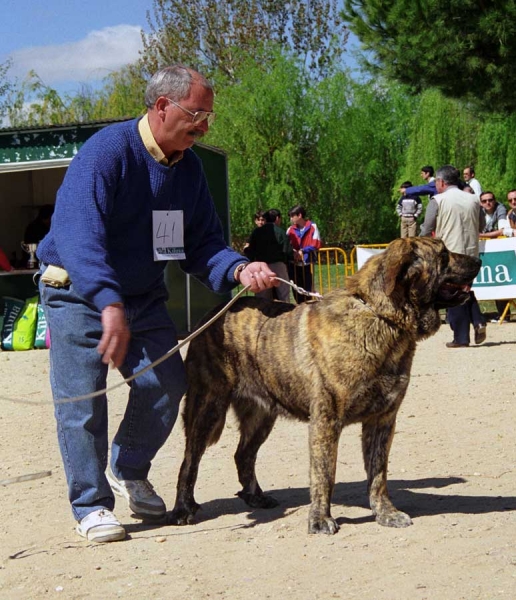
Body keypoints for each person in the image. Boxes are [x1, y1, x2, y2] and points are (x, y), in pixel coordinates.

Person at [36, 64, 278, 544]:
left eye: (209, 116)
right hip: (76, 294)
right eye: (197, 114)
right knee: (82, 401)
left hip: (142, 298)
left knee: (168, 382)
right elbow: (78, 236)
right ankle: (91, 506)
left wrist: (237, 268)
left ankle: (127, 468)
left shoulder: (187, 170)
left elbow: (200, 243)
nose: (204, 125)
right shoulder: (107, 153)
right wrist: (106, 302)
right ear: (163, 106)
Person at [421, 164, 486, 348]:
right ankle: (478, 320)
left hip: (449, 255)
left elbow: (426, 229)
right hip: (472, 253)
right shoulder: (474, 199)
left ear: (440, 181)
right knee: (463, 290)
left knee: (451, 294)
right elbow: (481, 225)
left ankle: (461, 337)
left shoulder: (438, 200)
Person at [244, 208, 292, 302]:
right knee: (284, 294)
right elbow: (287, 250)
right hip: (278, 265)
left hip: (262, 267)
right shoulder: (281, 232)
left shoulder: (256, 232)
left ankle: (263, 315)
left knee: (262, 295)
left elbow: (251, 250)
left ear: (265, 219)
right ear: (277, 218)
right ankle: (287, 312)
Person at [479, 191, 511, 322]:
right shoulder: (478, 211)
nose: (488, 203)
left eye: (490, 200)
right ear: (481, 203)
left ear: (495, 200)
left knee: (500, 280)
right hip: (481, 248)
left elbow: (503, 229)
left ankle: (505, 314)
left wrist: (480, 235)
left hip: (497, 249)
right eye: (484, 201)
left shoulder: (500, 208)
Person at [286, 205, 321, 304]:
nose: (291, 219)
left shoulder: (312, 226)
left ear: (300, 215)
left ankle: (308, 309)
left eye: (292, 216)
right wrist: (294, 252)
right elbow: (287, 245)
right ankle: (299, 307)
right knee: (297, 290)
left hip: (308, 263)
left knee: (308, 290)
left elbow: (316, 243)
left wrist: (303, 251)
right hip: (294, 264)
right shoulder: (290, 230)